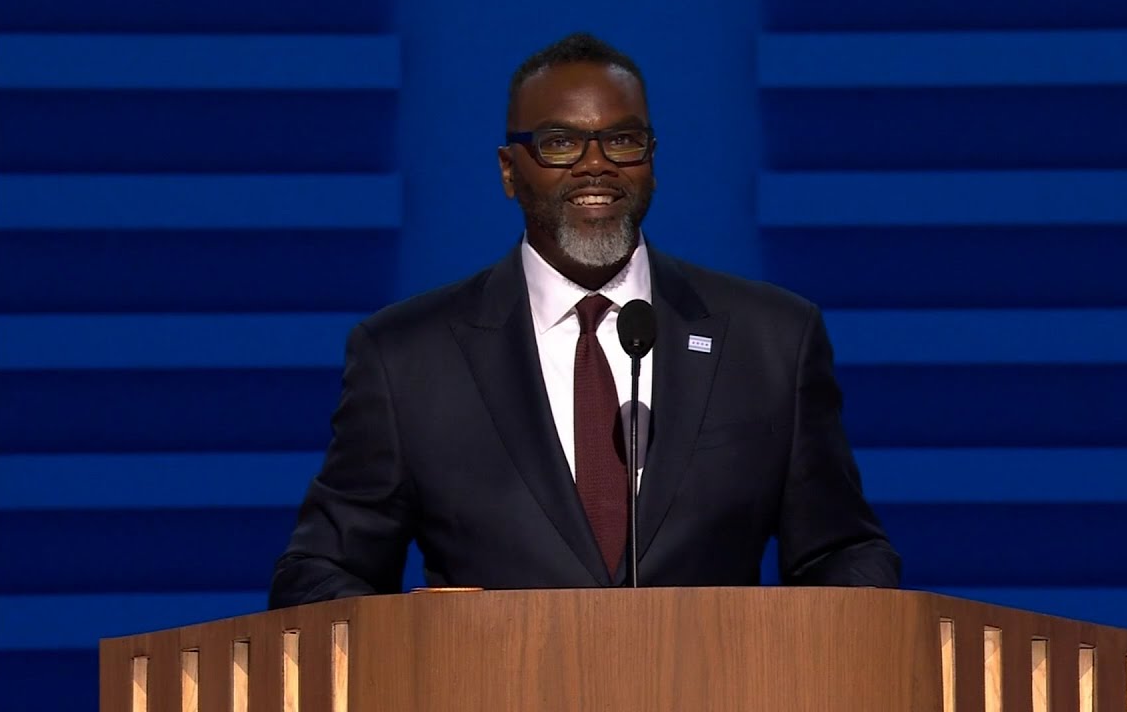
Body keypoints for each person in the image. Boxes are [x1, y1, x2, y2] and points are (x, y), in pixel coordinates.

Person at [268, 32, 899, 609]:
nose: (595, 165)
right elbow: (320, 572)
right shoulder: (406, 358)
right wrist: (425, 643)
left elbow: (843, 552)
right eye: (559, 142)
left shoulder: (773, 340)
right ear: (509, 170)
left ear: (651, 159)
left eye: (622, 140)